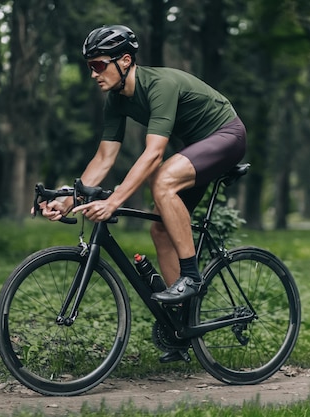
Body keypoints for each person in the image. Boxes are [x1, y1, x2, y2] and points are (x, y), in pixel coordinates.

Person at [40, 24, 246, 310]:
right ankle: (181, 323)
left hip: (227, 136)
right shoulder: (115, 100)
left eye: (99, 65)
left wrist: (114, 201)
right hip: (196, 149)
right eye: (90, 66)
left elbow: (153, 154)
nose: (93, 74)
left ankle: (191, 276)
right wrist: (66, 199)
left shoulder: (159, 86)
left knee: (161, 180)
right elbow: (103, 158)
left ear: (125, 60)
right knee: (160, 230)